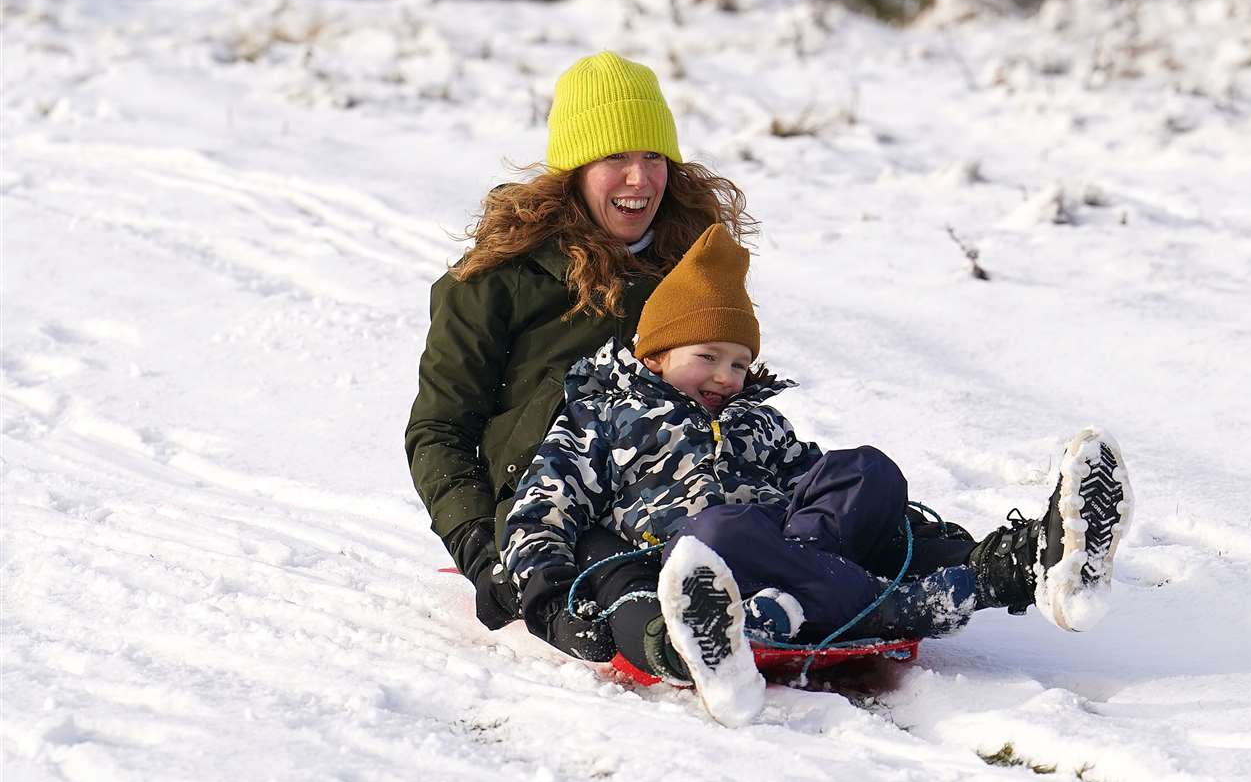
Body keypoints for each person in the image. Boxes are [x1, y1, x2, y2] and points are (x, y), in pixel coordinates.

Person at [502, 223, 1134, 725]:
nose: (727, 377)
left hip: (797, 548)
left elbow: (823, 486)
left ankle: (1039, 561)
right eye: (708, 357)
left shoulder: (758, 423)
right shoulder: (605, 421)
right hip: (701, 559)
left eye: (740, 363)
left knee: (867, 470)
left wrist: (901, 527)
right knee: (722, 529)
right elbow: (537, 515)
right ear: (656, 353)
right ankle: (910, 599)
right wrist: (551, 597)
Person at [405, 50, 755, 630]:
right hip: (554, 509)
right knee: (611, 582)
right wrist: (482, 551)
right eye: (614, 156)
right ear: (574, 168)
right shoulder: (497, 282)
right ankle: (673, 638)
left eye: (653, 156)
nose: (639, 179)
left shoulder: (691, 267)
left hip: (677, 489)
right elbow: (440, 429)